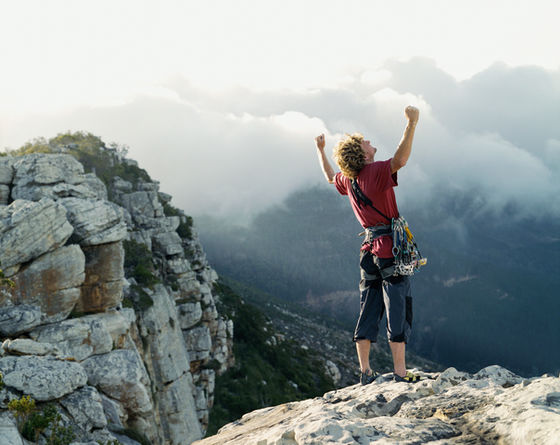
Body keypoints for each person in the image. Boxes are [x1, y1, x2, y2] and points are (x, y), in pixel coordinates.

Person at [314, 105, 420, 385]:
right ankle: (400, 374)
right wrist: (412, 123)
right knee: (397, 306)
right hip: (389, 249)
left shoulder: (349, 179)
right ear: (363, 155)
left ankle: (365, 372)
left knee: (369, 307)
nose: (370, 143)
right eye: (366, 143)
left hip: (368, 250)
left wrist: (321, 151)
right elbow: (400, 160)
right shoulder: (374, 172)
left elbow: (328, 176)